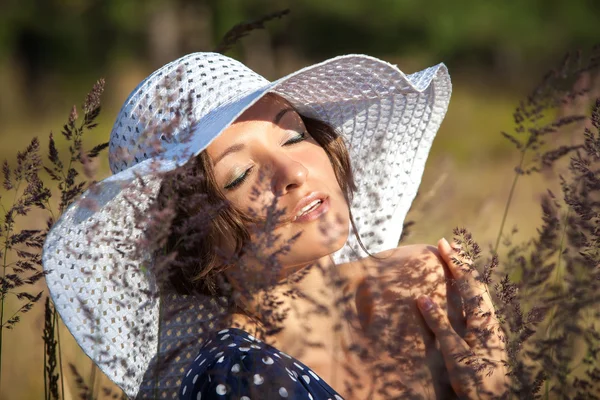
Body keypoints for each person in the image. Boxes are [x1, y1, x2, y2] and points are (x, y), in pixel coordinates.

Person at [42, 52, 507, 399]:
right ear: (190, 242)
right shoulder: (236, 374)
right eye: (240, 175)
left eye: (294, 135)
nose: (295, 173)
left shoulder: (423, 281)